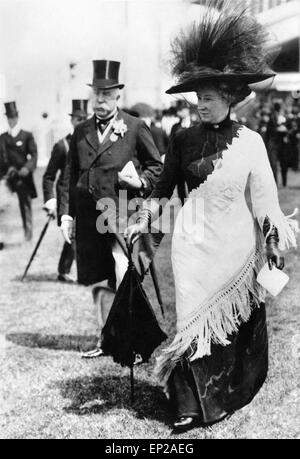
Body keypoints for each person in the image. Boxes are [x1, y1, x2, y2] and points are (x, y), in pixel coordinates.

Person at [125, 2, 299, 431]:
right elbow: (162, 189)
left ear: (229, 98)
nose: (200, 104)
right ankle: (187, 404)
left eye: (208, 98)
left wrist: (273, 243)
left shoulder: (253, 143)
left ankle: (224, 394)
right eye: (197, 97)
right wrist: (142, 218)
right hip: (191, 247)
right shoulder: (182, 140)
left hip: (236, 248)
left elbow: (265, 203)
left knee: (229, 326)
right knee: (191, 321)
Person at [59, 59, 163, 357]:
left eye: (107, 94)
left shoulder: (133, 126)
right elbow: (70, 174)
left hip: (120, 215)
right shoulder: (81, 131)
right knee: (97, 277)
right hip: (88, 217)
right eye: (97, 94)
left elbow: (157, 167)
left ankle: (130, 341)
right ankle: (106, 339)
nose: (100, 100)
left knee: (122, 274)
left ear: (118, 95)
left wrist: (140, 180)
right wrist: (67, 215)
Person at [43, 100, 89, 282]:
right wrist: (51, 201)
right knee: (74, 235)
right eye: (78, 119)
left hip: (85, 196)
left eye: (84, 119)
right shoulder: (62, 145)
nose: (81, 122)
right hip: (66, 198)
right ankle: (71, 272)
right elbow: (48, 176)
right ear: (72, 121)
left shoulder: (90, 144)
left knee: (79, 235)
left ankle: (64, 270)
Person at [0, 102, 38, 241]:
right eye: (9, 117)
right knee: (2, 206)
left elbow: (34, 155)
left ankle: (28, 236)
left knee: (25, 206)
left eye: (13, 117)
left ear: (17, 117)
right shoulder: (3, 138)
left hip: (23, 177)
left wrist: (26, 168)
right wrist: (6, 170)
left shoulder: (26, 136)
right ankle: (2, 238)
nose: (11, 120)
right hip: (7, 177)